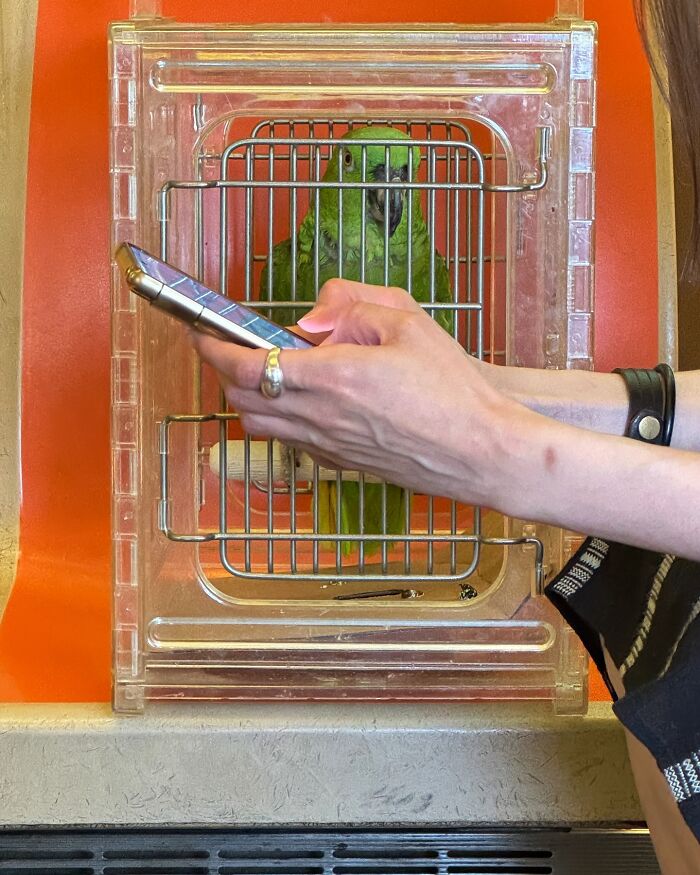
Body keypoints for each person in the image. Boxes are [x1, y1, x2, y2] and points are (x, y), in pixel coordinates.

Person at [190, 0, 700, 870]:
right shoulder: (300, 251)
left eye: (402, 175)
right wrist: (482, 396)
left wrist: (490, 447)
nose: (390, 192)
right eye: (369, 173)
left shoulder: (425, 249)